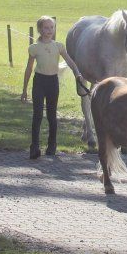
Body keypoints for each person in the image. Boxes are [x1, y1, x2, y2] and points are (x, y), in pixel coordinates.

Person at [20, 16, 84, 160]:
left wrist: (77, 74)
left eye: (51, 27)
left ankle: (52, 145)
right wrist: (24, 89)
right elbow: (29, 69)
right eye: (46, 28)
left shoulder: (59, 46)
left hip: (52, 82)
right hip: (39, 82)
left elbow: (70, 61)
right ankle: (34, 146)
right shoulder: (34, 48)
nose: (49, 31)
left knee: (51, 115)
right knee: (37, 114)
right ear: (40, 29)